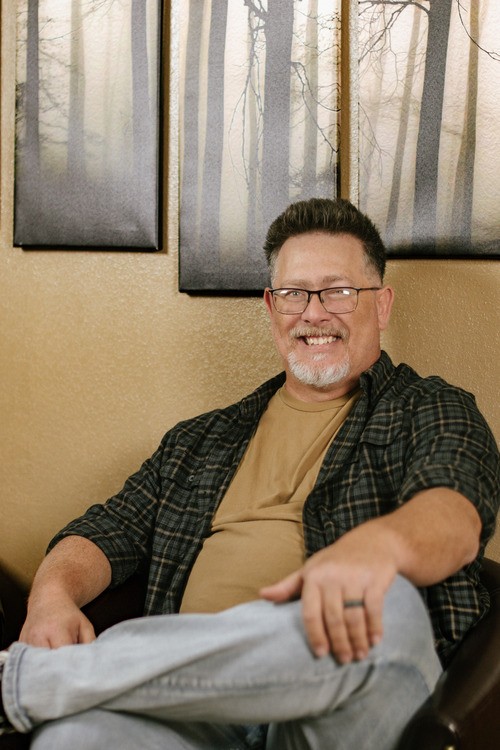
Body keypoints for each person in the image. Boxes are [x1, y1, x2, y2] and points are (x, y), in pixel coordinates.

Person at [1, 198, 499, 750]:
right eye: (294, 293)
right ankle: (50, 686)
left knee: (383, 603)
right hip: (195, 712)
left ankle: (29, 684)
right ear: (271, 306)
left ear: (381, 305)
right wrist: (50, 599)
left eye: (337, 291)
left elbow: (454, 517)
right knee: (75, 736)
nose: (313, 313)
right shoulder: (200, 441)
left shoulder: (430, 408)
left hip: (346, 708)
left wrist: (377, 548)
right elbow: (102, 533)